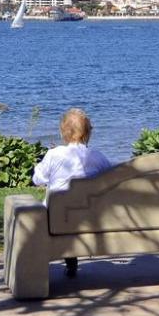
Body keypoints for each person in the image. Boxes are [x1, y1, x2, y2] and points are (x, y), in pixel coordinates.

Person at [33, 108, 111, 277]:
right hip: (91, 219)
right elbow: (111, 178)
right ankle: (71, 259)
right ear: (88, 133)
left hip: (56, 220)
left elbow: (38, 179)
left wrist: (38, 167)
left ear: (63, 133)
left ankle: (66, 260)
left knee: (53, 209)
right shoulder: (97, 157)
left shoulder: (54, 155)